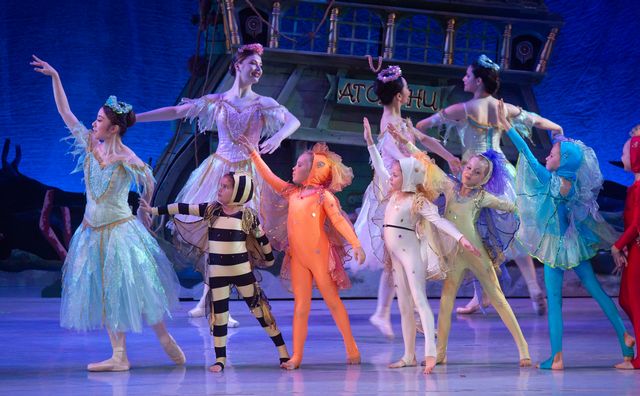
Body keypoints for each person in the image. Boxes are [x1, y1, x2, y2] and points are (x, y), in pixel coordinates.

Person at [31, 55, 185, 372]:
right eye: (96, 118)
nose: (94, 123)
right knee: (104, 293)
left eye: (100, 120)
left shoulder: (126, 157)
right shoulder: (90, 145)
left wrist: (146, 209)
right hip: (91, 231)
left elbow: (149, 180)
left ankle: (164, 336)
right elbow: (66, 113)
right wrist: (55, 77)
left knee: (137, 288)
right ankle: (119, 355)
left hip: (119, 231)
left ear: (114, 128)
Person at [135, 43, 301, 321]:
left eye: (261, 65)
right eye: (253, 63)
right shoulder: (218, 101)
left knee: (235, 240)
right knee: (216, 238)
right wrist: (136, 119)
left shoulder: (264, 104)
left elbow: (293, 120)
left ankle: (216, 303)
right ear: (238, 66)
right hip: (218, 172)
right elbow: (178, 112)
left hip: (247, 176)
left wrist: (278, 136)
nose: (258, 68)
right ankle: (207, 301)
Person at [414, 54, 562, 315]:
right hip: (501, 171)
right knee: (509, 231)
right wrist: (556, 127)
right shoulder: (503, 108)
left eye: (468, 75)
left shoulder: (462, 109)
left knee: (474, 233)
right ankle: (530, 288)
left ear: (478, 81)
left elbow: (422, 126)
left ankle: (481, 295)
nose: (464, 79)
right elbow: (534, 120)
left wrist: (447, 152)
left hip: (473, 174)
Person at [496, 101, 634, 370]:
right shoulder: (571, 185)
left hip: (555, 249)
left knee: (555, 300)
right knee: (596, 290)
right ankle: (624, 336)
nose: (548, 156)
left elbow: (525, 152)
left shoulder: (551, 182)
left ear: (564, 161)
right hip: (573, 245)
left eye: (552, 154)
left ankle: (557, 357)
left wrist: (507, 127)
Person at [349, 64, 460, 338]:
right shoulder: (388, 124)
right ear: (399, 95)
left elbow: (424, 140)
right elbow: (407, 159)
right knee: (400, 256)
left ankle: (385, 313)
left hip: (406, 190)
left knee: (401, 258)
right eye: (407, 88)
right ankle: (402, 316)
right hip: (393, 193)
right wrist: (438, 179)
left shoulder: (400, 121)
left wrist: (448, 157)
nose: (409, 91)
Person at [140, 172, 289, 372]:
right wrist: (154, 210)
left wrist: (269, 259)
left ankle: (282, 352)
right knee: (219, 315)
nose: (220, 189)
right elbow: (183, 208)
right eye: (220, 185)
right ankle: (220, 359)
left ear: (238, 192)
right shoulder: (212, 210)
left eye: (225, 187)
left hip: (242, 272)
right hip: (217, 273)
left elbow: (261, 240)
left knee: (260, 311)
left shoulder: (247, 216)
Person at [239, 136, 365, 370]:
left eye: (299, 165)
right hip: (298, 258)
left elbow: (338, 219)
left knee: (333, 302)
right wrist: (254, 155)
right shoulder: (291, 193)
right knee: (301, 307)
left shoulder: (322, 196)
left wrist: (355, 243)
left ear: (313, 170)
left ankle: (352, 348)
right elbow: (270, 178)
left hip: (320, 257)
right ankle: (296, 356)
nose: (293, 167)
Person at [363, 117, 478, 373]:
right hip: (395, 258)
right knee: (403, 305)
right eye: (391, 174)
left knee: (419, 300)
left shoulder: (417, 201)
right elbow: (381, 169)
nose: (390, 177)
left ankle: (429, 354)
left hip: (411, 256)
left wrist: (461, 238)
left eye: (395, 175)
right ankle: (408, 355)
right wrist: (371, 144)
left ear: (406, 177)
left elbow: (439, 222)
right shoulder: (394, 194)